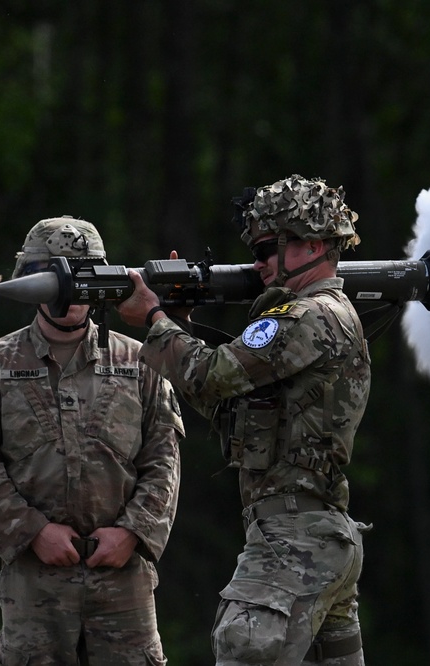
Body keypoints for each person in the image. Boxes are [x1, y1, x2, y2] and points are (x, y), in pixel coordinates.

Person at [117, 174, 371, 665]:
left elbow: (211, 375)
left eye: (266, 248)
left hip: (293, 543)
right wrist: (179, 324)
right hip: (322, 539)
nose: (256, 263)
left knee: (243, 649)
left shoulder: (306, 317)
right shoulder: (333, 314)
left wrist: (155, 320)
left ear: (311, 245)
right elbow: (230, 404)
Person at [0, 216, 184, 665]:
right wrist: (32, 532)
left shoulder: (139, 361)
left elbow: (165, 455)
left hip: (122, 579)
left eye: (87, 276)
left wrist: (132, 533)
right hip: (34, 583)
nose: (75, 292)